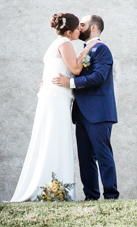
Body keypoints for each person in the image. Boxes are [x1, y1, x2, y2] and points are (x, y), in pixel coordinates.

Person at [10, 12, 89, 201]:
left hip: (53, 96)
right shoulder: (65, 43)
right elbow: (76, 69)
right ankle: (54, 187)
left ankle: (52, 186)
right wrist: (86, 51)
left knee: (51, 138)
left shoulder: (54, 44)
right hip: (57, 98)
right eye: (78, 28)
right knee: (57, 138)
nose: (80, 30)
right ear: (69, 31)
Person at [52, 13, 119, 200]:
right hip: (81, 112)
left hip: (99, 112)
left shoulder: (102, 49)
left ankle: (111, 196)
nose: (79, 28)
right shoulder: (81, 50)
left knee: (103, 155)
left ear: (94, 28)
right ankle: (91, 196)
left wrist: (71, 84)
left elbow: (99, 76)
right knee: (85, 157)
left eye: (82, 24)